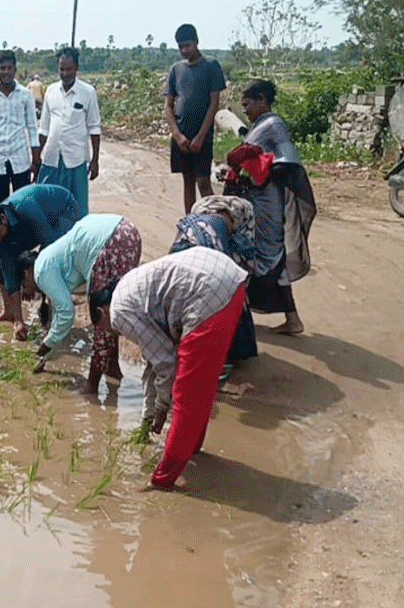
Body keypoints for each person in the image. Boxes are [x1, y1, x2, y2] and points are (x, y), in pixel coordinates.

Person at [89, 246, 248, 491]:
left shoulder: (119, 313)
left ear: (102, 312)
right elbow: (152, 365)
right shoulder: (127, 290)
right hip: (228, 283)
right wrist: (147, 417)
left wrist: (161, 409)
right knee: (202, 384)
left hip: (208, 293)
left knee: (186, 393)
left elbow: (165, 363)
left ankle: (163, 480)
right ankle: (191, 448)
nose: (110, 334)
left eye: (103, 328)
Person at [228, 79, 316, 335]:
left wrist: (250, 162)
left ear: (262, 101)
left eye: (247, 104)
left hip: (267, 202)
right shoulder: (260, 125)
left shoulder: (273, 125)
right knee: (256, 254)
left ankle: (279, 320)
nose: (244, 110)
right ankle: (287, 319)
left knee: (266, 255)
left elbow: (284, 163)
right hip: (258, 199)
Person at [17, 213, 141, 392]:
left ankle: (91, 386)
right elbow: (60, 316)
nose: (27, 290)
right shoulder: (48, 259)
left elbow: (67, 313)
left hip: (112, 241)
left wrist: (46, 345)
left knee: (101, 315)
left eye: (24, 285)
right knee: (113, 310)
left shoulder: (40, 271)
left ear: (27, 273)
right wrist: (46, 355)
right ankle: (113, 369)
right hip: (128, 233)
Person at [0, 183, 79, 341]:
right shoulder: (0, 234)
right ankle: (11, 313)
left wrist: (31, 280)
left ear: (3, 219)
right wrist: (20, 322)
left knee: (51, 268)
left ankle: (53, 321)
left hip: (62, 210)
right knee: (3, 262)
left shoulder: (25, 208)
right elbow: (9, 272)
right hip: (32, 227)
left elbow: (49, 249)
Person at [168, 195, 259, 371]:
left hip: (188, 246)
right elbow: (243, 275)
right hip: (205, 251)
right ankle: (225, 351)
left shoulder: (193, 224)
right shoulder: (237, 231)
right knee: (225, 294)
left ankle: (187, 348)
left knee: (187, 300)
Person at [0, 49, 40, 279]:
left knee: (21, 210)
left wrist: (36, 160)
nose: (5, 72)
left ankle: (21, 257)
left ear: (15, 69)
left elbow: (32, 128)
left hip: (20, 160)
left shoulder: (25, 95)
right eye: (1, 68)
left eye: (9, 68)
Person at [164, 23, 226, 214]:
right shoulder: (176, 70)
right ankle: (190, 223)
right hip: (182, 136)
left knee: (203, 182)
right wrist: (177, 135)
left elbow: (213, 104)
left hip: (202, 137)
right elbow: (168, 105)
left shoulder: (210, 66)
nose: (184, 50)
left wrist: (200, 137)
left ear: (197, 42)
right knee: (188, 181)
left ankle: (213, 223)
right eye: (181, 47)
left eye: (188, 45)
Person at [38, 46, 101, 214]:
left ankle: (77, 241)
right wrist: (36, 157)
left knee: (77, 209)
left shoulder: (88, 92)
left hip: (76, 161)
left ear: (77, 68)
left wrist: (95, 160)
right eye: (61, 69)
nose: (65, 74)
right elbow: (44, 128)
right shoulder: (51, 91)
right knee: (49, 208)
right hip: (51, 159)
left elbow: (94, 127)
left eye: (69, 69)